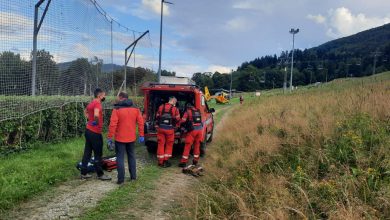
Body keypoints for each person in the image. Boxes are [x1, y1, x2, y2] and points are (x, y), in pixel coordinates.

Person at [107, 92, 144, 185]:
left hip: (120, 138)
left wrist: (110, 137)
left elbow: (113, 124)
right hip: (131, 138)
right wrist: (141, 135)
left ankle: (121, 180)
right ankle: (133, 177)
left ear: (121, 98)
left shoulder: (117, 109)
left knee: (120, 158)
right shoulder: (136, 109)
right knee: (131, 156)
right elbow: (140, 122)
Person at [81, 88, 111, 181]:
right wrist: (96, 122)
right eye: (104, 95)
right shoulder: (97, 103)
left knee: (87, 152)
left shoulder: (91, 102)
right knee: (98, 154)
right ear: (99, 95)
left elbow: (85, 111)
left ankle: (83, 173)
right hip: (95, 132)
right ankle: (100, 174)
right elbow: (96, 115)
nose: (104, 96)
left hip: (88, 131)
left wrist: (89, 121)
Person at [155, 96, 180, 168]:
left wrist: (157, 125)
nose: (175, 103)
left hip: (161, 128)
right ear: (172, 101)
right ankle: (166, 160)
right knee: (169, 144)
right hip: (170, 129)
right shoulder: (175, 109)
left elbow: (157, 116)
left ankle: (160, 161)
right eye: (175, 102)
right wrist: (177, 127)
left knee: (161, 144)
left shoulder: (161, 107)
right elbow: (178, 119)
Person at [178, 103, 203, 167]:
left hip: (192, 131)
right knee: (197, 145)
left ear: (187, 107)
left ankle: (183, 162)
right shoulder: (198, 111)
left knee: (187, 146)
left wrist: (178, 124)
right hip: (199, 130)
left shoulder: (188, 112)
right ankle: (195, 161)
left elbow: (183, 120)